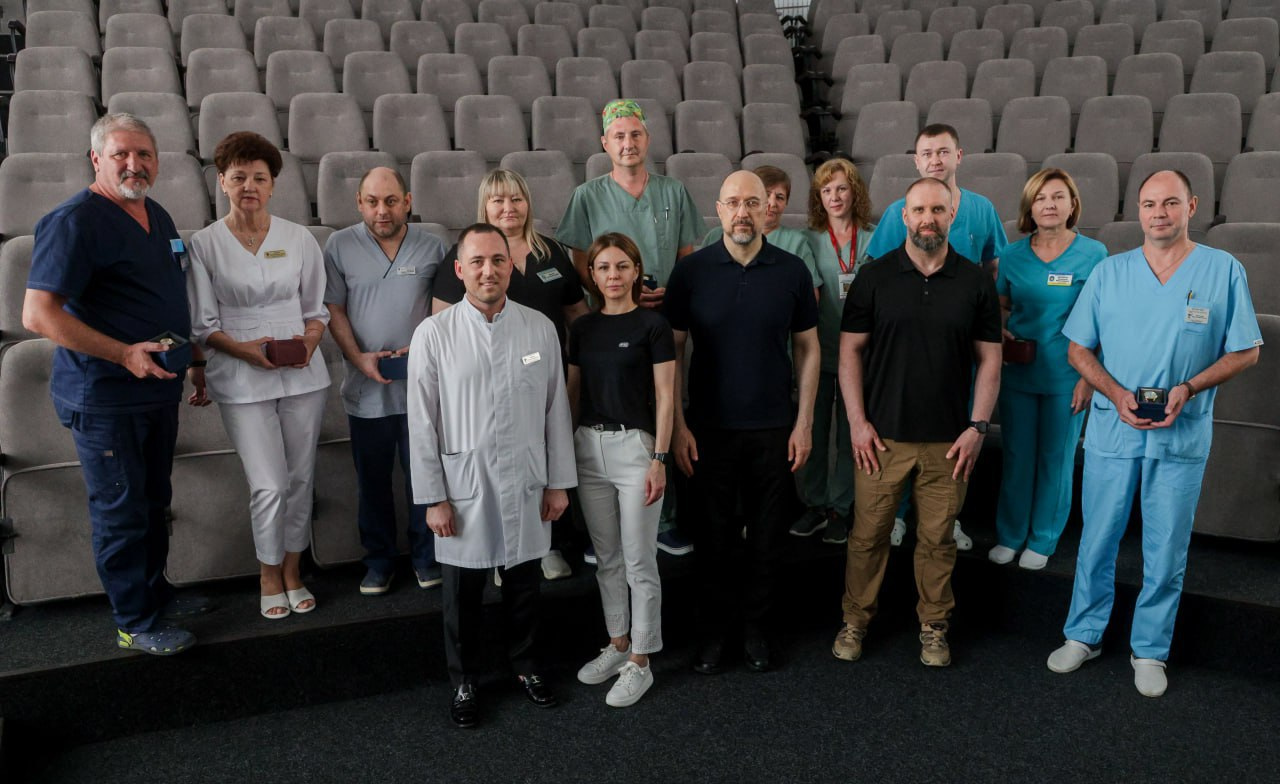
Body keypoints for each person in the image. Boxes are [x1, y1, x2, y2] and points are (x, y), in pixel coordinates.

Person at [1046, 170, 1262, 698]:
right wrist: (1114, 392)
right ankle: (1083, 635)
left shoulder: (1222, 270)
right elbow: (1077, 348)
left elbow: (1246, 350)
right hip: (1113, 428)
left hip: (1180, 432)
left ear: (1192, 206)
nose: (1158, 213)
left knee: (1166, 548)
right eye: (1148, 204)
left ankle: (1150, 649)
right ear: (1136, 211)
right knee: (1097, 539)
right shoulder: (1111, 273)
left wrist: (1189, 387)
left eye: (1169, 202)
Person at [24, 113, 206, 655]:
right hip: (105, 397)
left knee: (153, 502)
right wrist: (124, 353)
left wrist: (192, 359)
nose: (134, 164)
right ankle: (134, 621)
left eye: (144, 154)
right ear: (96, 159)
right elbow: (38, 315)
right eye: (121, 154)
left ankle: (155, 596)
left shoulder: (157, 214)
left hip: (156, 389)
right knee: (122, 511)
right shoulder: (74, 221)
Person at [409, 223, 577, 728]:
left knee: (525, 586)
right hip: (464, 488)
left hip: (527, 481)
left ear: (510, 267)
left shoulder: (538, 328)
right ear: (460, 270)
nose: (489, 270)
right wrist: (433, 498)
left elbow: (555, 411)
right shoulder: (434, 334)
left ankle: (526, 668)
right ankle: (465, 680)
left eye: (498, 260)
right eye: (478, 262)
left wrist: (558, 482)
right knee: (461, 595)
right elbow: (421, 422)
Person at [833, 177, 1002, 668]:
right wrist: (857, 422)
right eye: (920, 210)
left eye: (938, 210)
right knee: (867, 537)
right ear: (904, 217)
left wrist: (978, 427)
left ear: (953, 216)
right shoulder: (874, 277)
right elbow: (849, 353)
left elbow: (990, 360)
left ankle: (934, 626)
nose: (929, 219)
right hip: (880, 439)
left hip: (949, 442)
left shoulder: (975, 282)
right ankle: (855, 620)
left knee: (937, 541)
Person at [666, 171, 820, 674]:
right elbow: (673, 351)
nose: (743, 212)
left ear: (767, 209)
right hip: (707, 430)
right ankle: (714, 633)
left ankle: (756, 630)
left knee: (768, 538)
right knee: (713, 538)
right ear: (718, 209)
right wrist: (678, 425)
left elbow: (809, 347)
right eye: (733, 203)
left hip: (774, 428)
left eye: (752, 202)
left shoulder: (792, 270)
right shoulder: (691, 272)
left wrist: (804, 422)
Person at [185, 131, 331, 620]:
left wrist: (310, 342)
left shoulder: (299, 238)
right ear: (221, 181)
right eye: (239, 176)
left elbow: (316, 310)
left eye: (260, 178)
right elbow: (202, 324)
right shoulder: (204, 244)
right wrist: (243, 351)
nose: (249, 185)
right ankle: (268, 573)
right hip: (240, 375)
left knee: (300, 478)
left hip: (302, 373)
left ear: (273, 185)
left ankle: (293, 569)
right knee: (269, 485)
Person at [558, 98, 704, 558]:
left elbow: (687, 256)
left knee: (664, 408)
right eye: (618, 136)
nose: (628, 143)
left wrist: (669, 295)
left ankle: (664, 519)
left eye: (635, 134)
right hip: (608, 324)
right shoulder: (587, 196)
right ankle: (600, 529)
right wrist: (619, 296)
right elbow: (581, 264)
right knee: (606, 409)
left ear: (648, 139)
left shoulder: (673, 192)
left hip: (663, 321)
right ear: (605, 143)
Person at [432, 169, 589, 580]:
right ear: (484, 206)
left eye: (516, 198)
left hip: (543, 378)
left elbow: (577, 316)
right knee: (500, 467)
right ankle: (502, 550)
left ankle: (547, 544)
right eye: (498, 200)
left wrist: (580, 373)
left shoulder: (552, 254)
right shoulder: (461, 257)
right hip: (485, 388)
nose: (509, 207)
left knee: (546, 460)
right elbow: (442, 327)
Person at [864, 124, 1008, 552]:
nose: (935, 160)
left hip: (957, 340)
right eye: (927, 153)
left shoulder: (981, 209)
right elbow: (877, 272)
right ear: (916, 160)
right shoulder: (900, 210)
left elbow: (992, 268)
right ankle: (897, 515)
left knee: (954, 428)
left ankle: (948, 517)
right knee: (901, 431)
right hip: (906, 341)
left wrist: (985, 319)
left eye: (943, 152)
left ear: (958, 156)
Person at [323, 166, 445, 595]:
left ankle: (427, 557)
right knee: (372, 483)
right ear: (359, 203)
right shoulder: (339, 245)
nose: (382, 211)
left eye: (391, 201)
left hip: (422, 389)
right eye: (372, 202)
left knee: (425, 478)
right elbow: (333, 309)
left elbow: (446, 310)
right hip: (366, 389)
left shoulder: (433, 245)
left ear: (407, 202)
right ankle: (378, 562)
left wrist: (425, 352)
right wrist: (358, 359)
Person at [568, 233, 676, 708]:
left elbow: (667, 396)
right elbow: (572, 393)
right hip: (588, 448)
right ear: (592, 275)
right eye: (603, 268)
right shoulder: (583, 328)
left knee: (639, 559)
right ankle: (617, 643)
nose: (613, 275)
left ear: (636, 271)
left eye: (621, 266)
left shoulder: (654, 325)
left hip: (637, 449)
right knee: (606, 556)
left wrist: (660, 459)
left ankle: (641, 659)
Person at [989, 169, 1107, 571]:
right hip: (1019, 372)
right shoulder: (1012, 255)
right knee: (1017, 455)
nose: (1049, 205)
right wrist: (1000, 331)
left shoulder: (1094, 254)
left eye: (1058, 197)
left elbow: (1103, 322)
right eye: (1040, 198)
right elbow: (1000, 304)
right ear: (1030, 207)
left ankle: (1043, 538)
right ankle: (1010, 535)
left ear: (1072, 205)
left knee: (1056, 458)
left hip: (1068, 375)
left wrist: (1089, 378)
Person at [789, 158, 877, 545]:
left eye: (841, 188)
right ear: (818, 198)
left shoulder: (874, 238)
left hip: (861, 356)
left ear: (854, 192)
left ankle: (841, 507)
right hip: (819, 352)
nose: (835, 196)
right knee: (813, 428)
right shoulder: (807, 240)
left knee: (849, 433)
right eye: (826, 190)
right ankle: (814, 504)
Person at [700, 164, 820, 285]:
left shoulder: (797, 242)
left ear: (786, 202)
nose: (772, 203)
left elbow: (808, 290)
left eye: (780, 197)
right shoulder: (715, 236)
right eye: (766, 195)